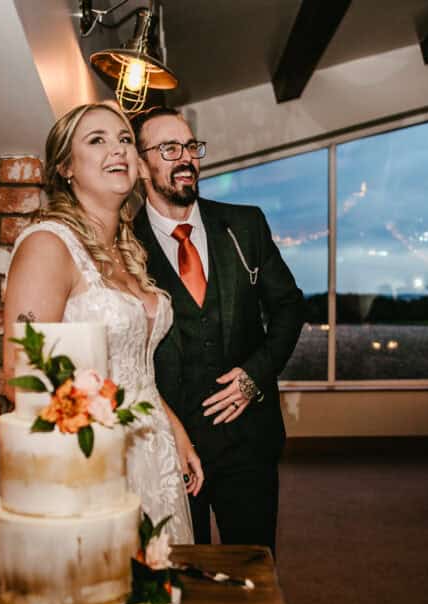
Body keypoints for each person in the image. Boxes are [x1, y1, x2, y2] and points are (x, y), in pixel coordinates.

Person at [0, 102, 202, 545]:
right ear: (66, 168)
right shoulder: (48, 246)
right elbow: (23, 381)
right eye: (97, 140)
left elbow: (136, 370)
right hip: (79, 453)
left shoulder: (128, 252)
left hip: (151, 454)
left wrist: (176, 432)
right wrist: (97, 457)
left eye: (125, 139)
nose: (118, 150)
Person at [130, 106, 305, 556]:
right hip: (169, 446)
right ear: (140, 163)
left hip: (248, 439)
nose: (186, 158)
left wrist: (254, 375)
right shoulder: (123, 247)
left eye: (190, 146)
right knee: (178, 571)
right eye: (169, 148)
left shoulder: (245, 226)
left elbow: (288, 306)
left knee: (254, 565)